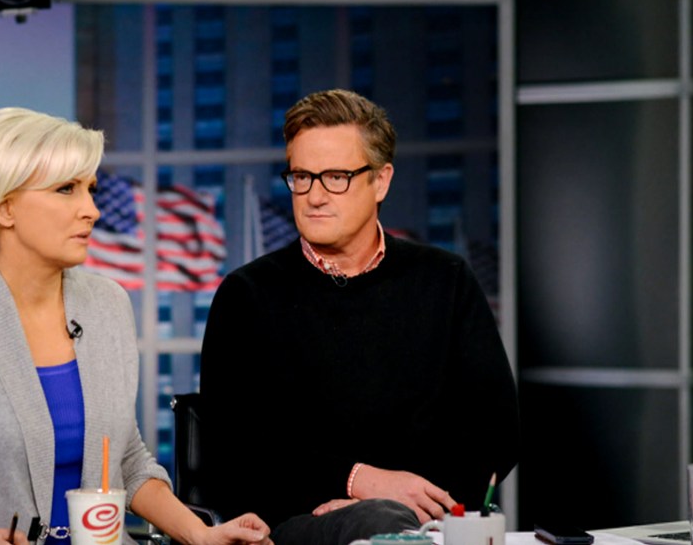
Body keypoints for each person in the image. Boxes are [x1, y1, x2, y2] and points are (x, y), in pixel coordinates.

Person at [0, 107, 272, 545]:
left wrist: (201, 535)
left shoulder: (109, 306)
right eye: (66, 189)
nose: (91, 210)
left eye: (90, 189)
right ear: (5, 207)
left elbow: (126, 461)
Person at [198, 89, 520, 545]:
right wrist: (357, 483)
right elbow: (231, 453)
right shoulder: (247, 295)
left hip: (431, 522)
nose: (314, 196)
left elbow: (495, 432)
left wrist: (411, 501)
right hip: (295, 524)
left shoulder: (445, 280)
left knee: (387, 523)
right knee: (376, 522)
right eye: (302, 177)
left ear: (381, 181)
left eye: (335, 177)